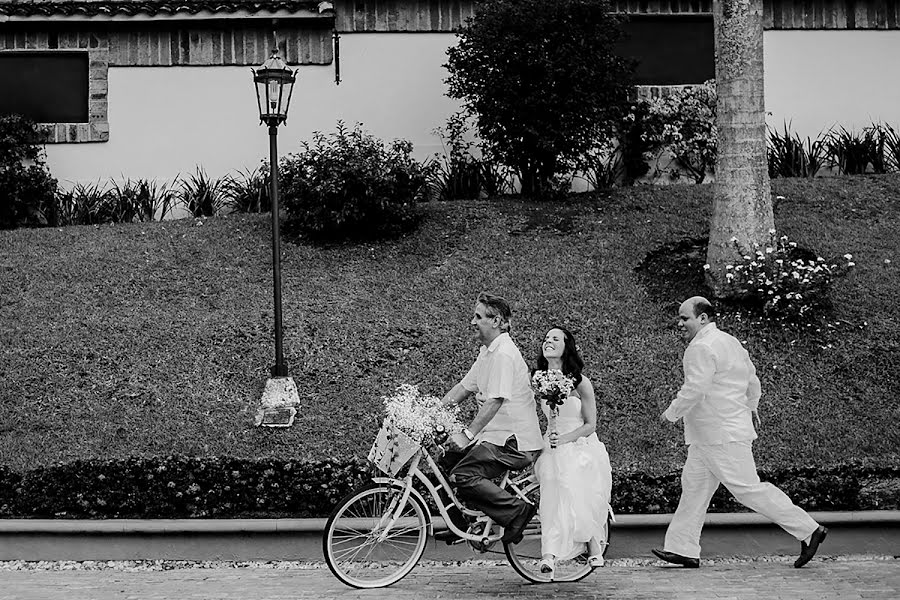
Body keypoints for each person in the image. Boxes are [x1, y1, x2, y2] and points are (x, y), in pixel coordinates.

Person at [653, 296, 828, 569]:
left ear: (703, 318)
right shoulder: (729, 341)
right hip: (714, 434)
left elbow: (696, 388)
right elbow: (751, 377)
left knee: (748, 490)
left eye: (685, 318)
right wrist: (752, 404)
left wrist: (672, 412)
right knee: (694, 490)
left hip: (719, 434)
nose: (680, 323)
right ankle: (682, 549)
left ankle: (809, 529)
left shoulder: (700, 347)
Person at [435, 292, 544, 546]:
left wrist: (468, 435)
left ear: (495, 321)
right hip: (496, 437)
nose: (473, 322)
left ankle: (517, 511)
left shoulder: (504, 354)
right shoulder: (488, 352)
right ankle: (460, 521)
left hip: (514, 442)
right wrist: (429, 412)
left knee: (464, 474)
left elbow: (495, 400)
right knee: (446, 457)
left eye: (478, 316)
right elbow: (463, 389)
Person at [533, 326, 613, 577]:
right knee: (551, 485)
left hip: (579, 442)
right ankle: (549, 554)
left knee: (573, 477)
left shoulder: (580, 382)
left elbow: (590, 425)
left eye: (555, 338)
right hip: (551, 443)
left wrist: (565, 439)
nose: (548, 341)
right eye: (546, 338)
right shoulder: (538, 379)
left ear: (566, 346)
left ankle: (592, 543)